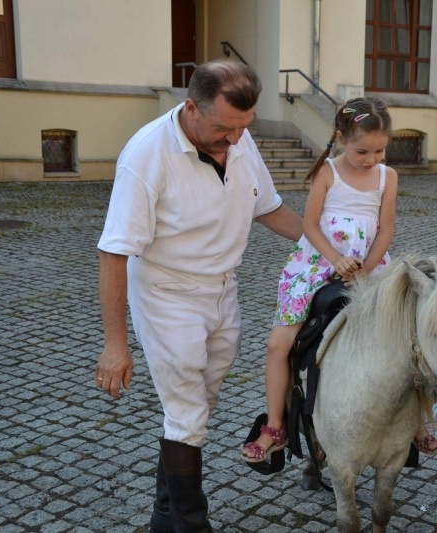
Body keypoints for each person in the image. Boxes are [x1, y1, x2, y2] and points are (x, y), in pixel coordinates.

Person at [94, 59, 303, 533]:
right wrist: (115, 345)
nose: (236, 138)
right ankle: (192, 524)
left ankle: (164, 518)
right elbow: (113, 253)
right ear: (191, 108)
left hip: (223, 290)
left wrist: (327, 248)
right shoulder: (146, 155)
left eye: (244, 127)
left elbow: (269, 207)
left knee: (193, 412)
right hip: (167, 294)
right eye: (224, 128)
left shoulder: (238, 137)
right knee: (187, 412)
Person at [241, 96, 437, 463]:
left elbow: (386, 229)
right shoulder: (327, 172)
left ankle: (415, 421)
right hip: (317, 263)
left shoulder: (388, 177)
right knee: (278, 344)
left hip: (368, 266)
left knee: (404, 333)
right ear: (341, 138)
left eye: (380, 150)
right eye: (363, 151)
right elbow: (310, 225)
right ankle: (275, 425)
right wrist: (335, 259)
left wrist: (366, 267)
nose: (372, 159)